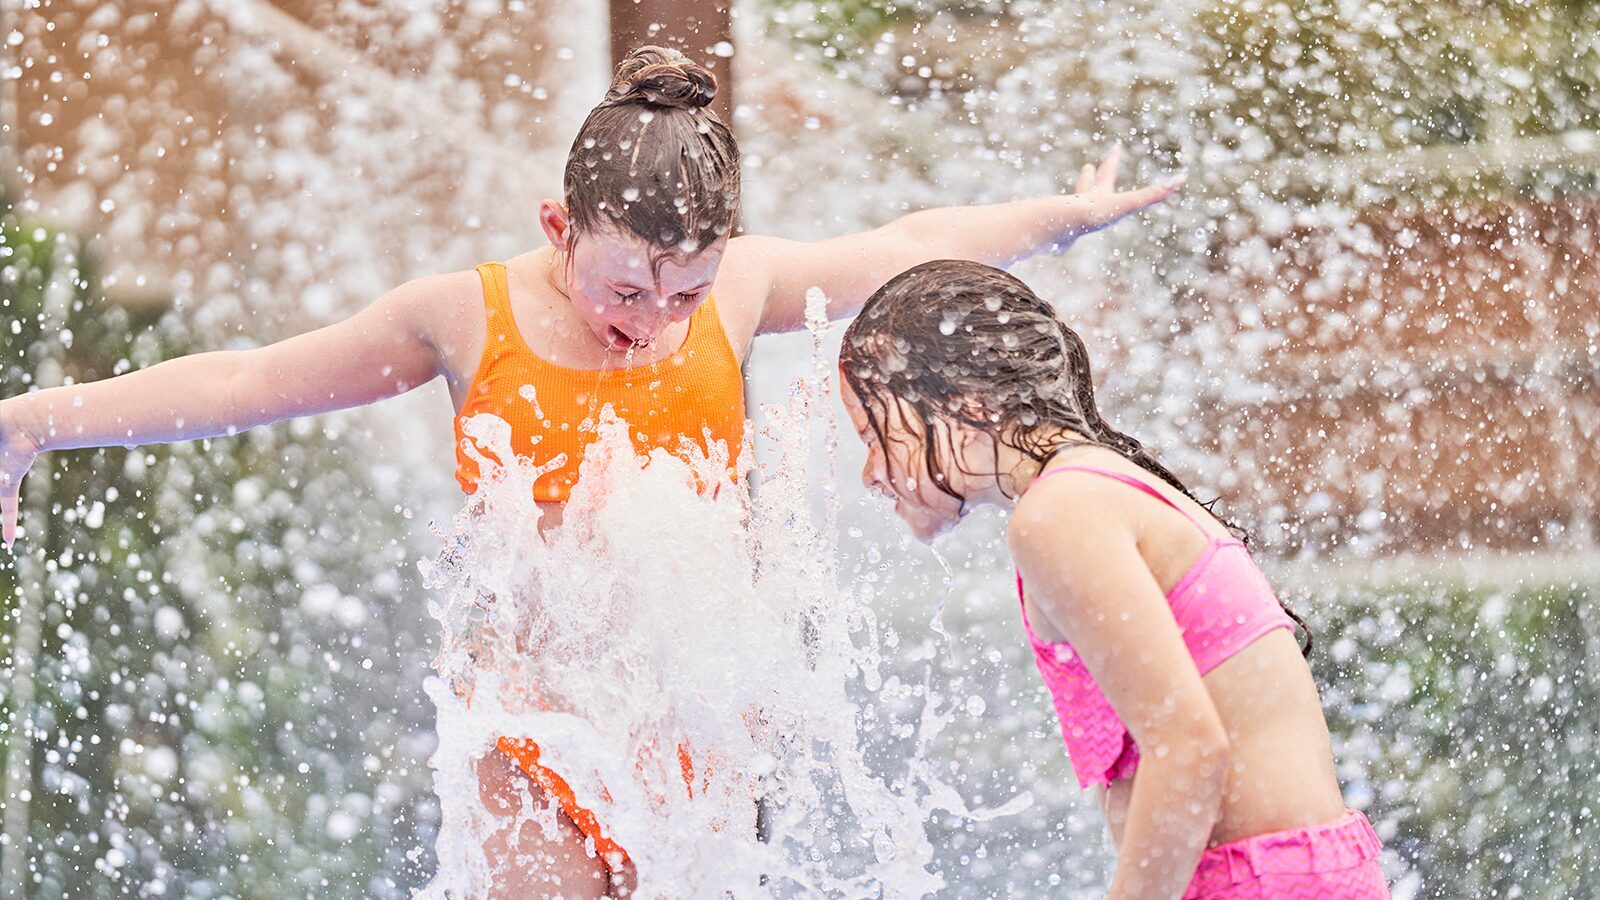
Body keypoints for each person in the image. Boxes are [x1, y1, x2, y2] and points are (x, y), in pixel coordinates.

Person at [0, 47, 1181, 897]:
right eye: (626, 288)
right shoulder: (462, 319)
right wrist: (34, 423)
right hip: (535, 730)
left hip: (696, 729)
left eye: (686, 290)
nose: (657, 321)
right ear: (559, 228)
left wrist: (1056, 222)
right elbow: (247, 384)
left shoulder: (743, 293)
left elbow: (898, 249)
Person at [837, 260, 1391, 898]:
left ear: (965, 405)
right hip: (1299, 871)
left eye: (873, 434)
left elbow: (1187, 748)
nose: (870, 472)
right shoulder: (1096, 485)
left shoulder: (1058, 512)